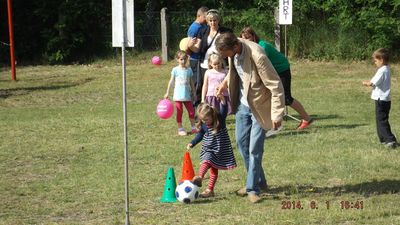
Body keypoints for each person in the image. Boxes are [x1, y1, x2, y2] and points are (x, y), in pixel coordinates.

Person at [214, 32, 285, 203]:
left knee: (254, 149)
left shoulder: (257, 56)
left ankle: (252, 189)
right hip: (242, 106)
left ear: (235, 46)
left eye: (225, 54)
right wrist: (223, 85)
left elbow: (276, 85)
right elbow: (234, 71)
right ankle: (259, 182)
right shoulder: (232, 52)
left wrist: (277, 113)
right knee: (241, 144)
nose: (224, 57)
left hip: (260, 107)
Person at [240, 27, 313, 134]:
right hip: (272, 72)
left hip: (281, 69)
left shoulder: (261, 46)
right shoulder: (249, 47)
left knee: (286, 98)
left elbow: (260, 65)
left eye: (248, 37)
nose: (247, 41)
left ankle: (306, 119)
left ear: (254, 36)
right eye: (244, 39)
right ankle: (271, 123)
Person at [187, 103, 236, 198]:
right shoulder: (204, 125)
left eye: (206, 119)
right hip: (208, 148)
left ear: (212, 116)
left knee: (214, 169)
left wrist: (222, 101)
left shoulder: (219, 121)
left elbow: (224, 110)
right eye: (202, 120)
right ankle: (200, 177)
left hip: (219, 149)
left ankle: (210, 190)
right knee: (206, 160)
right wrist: (192, 143)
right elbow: (200, 135)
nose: (204, 122)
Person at [188, 9, 232, 107]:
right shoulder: (203, 31)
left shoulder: (225, 31)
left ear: (218, 20)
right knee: (204, 86)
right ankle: (203, 108)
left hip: (221, 64)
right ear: (207, 21)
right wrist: (190, 46)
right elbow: (197, 49)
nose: (213, 22)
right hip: (205, 64)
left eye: (215, 20)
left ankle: (222, 108)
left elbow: (231, 47)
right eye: (210, 20)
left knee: (220, 86)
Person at [362, 48, 397, 148]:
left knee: (381, 120)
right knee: (381, 119)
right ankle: (383, 139)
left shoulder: (382, 71)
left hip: (381, 99)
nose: (374, 62)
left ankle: (390, 140)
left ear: (381, 60)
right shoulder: (387, 69)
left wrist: (365, 83)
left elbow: (372, 83)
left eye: (376, 60)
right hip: (385, 100)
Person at [164, 50, 197, 136]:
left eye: (185, 59)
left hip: (187, 96)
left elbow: (191, 83)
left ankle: (193, 127)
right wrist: (167, 92)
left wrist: (194, 93)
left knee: (191, 112)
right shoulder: (175, 70)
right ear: (177, 59)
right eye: (181, 59)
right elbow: (171, 81)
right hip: (178, 96)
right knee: (180, 111)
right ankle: (180, 128)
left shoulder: (189, 70)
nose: (183, 61)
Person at [186, 6, 209, 107]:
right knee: (197, 83)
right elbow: (188, 46)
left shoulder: (202, 26)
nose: (207, 19)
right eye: (205, 17)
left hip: (200, 59)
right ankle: (193, 105)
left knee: (202, 82)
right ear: (199, 15)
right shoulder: (194, 28)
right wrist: (192, 54)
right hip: (195, 60)